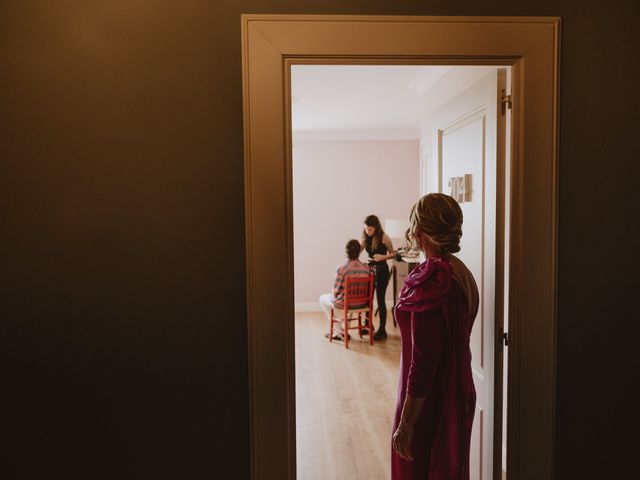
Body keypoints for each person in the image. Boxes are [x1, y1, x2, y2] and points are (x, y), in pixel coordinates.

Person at [391, 193, 479, 480]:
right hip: (457, 390)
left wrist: (406, 425)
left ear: (419, 231)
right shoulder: (462, 272)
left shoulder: (434, 280)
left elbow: (423, 365)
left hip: (426, 405)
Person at [320, 239, 371, 341]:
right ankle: (343, 330)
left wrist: (333, 294)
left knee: (323, 299)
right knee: (350, 298)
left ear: (346, 252)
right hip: (362, 303)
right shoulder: (366, 268)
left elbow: (337, 290)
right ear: (359, 252)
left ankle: (338, 330)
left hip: (346, 303)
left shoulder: (341, 268)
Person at [361, 215, 395, 340]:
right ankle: (367, 325)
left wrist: (382, 257)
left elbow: (393, 254)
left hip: (382, 271)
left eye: (370, 229)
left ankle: (382, 329)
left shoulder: (384, 237)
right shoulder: (365, 238)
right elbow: (357, 251)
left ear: (375, 228)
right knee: (367, 299)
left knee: (380, 300)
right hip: (370, 271)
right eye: (365, 229)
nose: (367, 232)